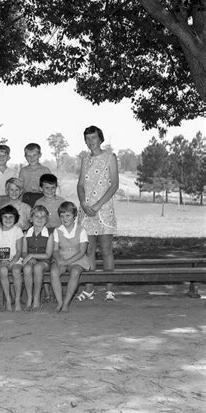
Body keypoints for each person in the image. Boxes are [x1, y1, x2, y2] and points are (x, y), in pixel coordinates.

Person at [77, 125, 119, 301]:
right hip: (86, 211)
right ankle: (89, 289)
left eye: (93, 138)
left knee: (107, 250)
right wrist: (83, 203)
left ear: (100, 138)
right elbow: (80, 185)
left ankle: (109, 289)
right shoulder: (84, 160)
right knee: (89, 250)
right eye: (87, 138)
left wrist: (97, 205)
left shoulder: (110, 157)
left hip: (103, 209)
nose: (90, 141)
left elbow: (114, 184)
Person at [50, 201, 91, 312]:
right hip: (62, 258)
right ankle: (59, 302)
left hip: (77, 259)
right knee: (54, 272)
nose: (65, 219)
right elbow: (55, 250)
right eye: (62, 216)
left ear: (74, 216)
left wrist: (67, 262)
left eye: (68, 215)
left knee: (75, 272)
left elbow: (82, 252)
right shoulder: (57, 231)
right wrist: (59, 260)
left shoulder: (81, 230)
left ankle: (66, 303)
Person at [0, 205, 24, 311]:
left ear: (15, 219)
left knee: (16, 271)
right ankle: (9, 300)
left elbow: (19, 251)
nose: (8, 219)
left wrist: (13, 261)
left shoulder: (18, 231)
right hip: (0, 260)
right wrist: (1, 260)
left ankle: (18, 300)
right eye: (5, 217)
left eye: (11, 217)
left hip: (15, 259)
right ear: (0, 218)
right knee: (3, 270)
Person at [22, 205, 53, 311]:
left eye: (43, 217)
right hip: (30, 260)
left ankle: (37, 299)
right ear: (31, 219)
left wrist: (32, 255)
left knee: (38, 267)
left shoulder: (49, 234)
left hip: (45, 261)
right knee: (27, 268)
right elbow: (24, 252)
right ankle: (29, 297)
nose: (40, 219)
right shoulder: (26, 233)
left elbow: (48, 255)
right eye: (36, 216)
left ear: (47, 219)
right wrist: (29, 257)